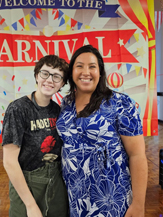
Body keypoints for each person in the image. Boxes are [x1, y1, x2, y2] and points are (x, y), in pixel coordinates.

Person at [56, 45, 148, 217]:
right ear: (72, 72)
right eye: (79, 66)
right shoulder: (65, 104)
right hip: (76, 198)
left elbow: (137, 155)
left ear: (100, 72)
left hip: (112, 198)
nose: (86, 72)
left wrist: (138, 205)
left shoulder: (120, 103)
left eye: (92, 66)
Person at [2, 55, 69, 217]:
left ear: (62, 84)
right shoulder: (18, 109)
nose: (49, 80)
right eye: (45, 73)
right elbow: (9, 161)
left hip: (55, 182)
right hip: (27, 184)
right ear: (37, 75)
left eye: (57, 76)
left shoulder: (58, 110)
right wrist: (30, 205)